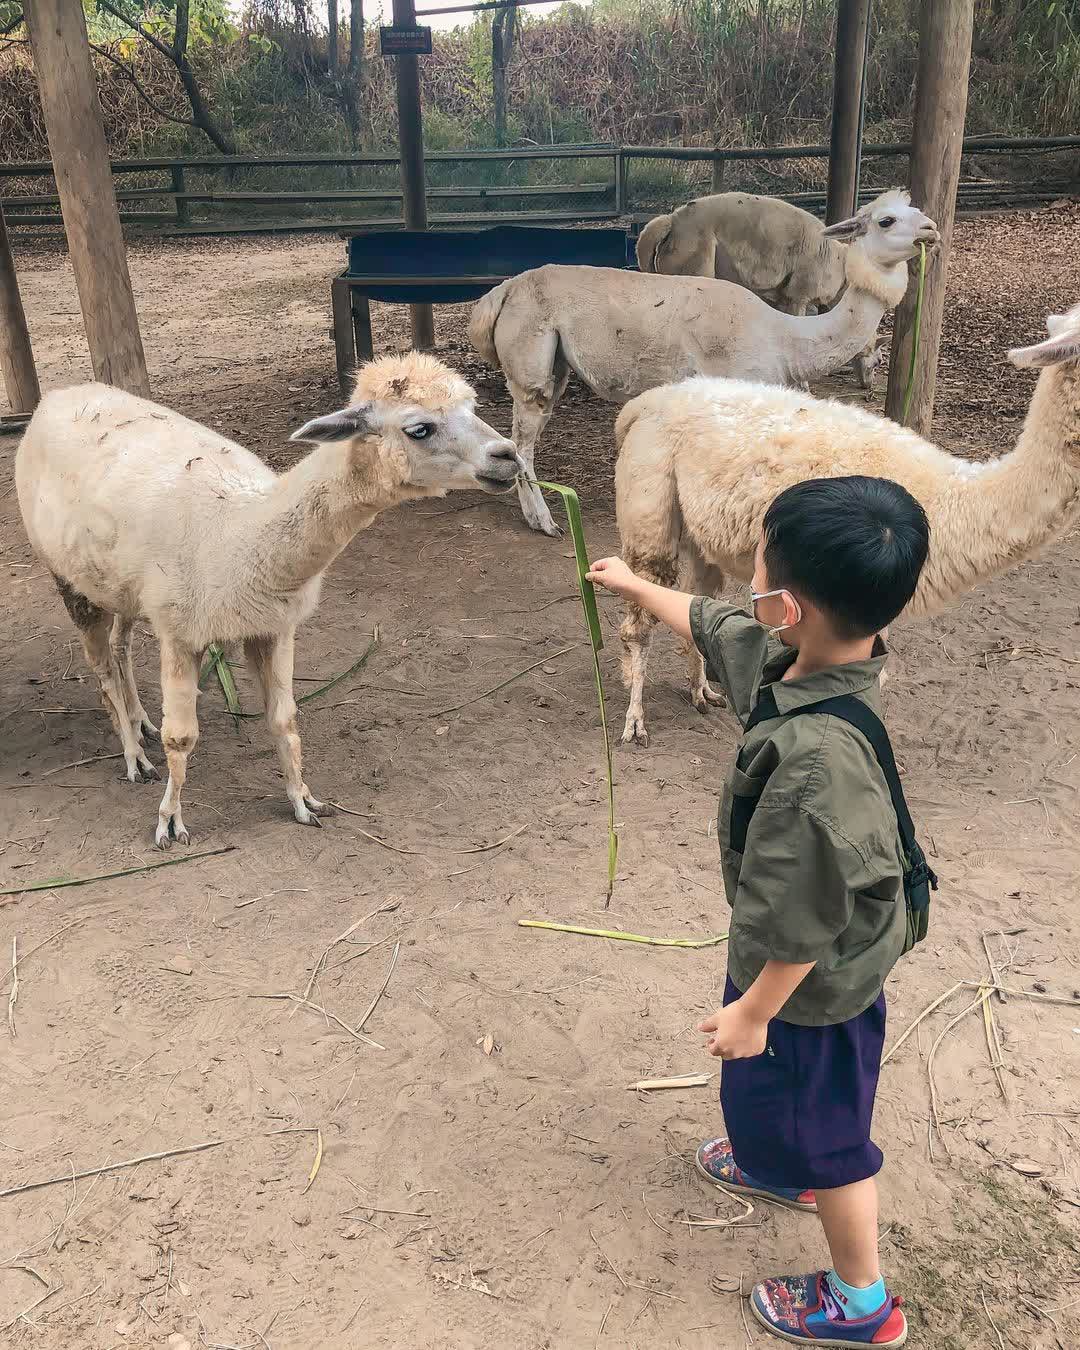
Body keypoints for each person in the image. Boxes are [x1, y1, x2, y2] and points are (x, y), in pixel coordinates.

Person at [587, 476, 931, 1348]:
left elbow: (804, 923)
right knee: (777, 1093)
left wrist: (753, 1010)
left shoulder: (814, 766)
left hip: (808, 989)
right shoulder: (806, 661)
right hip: (801, 970)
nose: (746, 581)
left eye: (758, 566)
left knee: (835, 1136)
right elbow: (717, 625)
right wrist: (630, 582)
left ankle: (863, 1303)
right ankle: (777, 1158)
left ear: (787, 603)